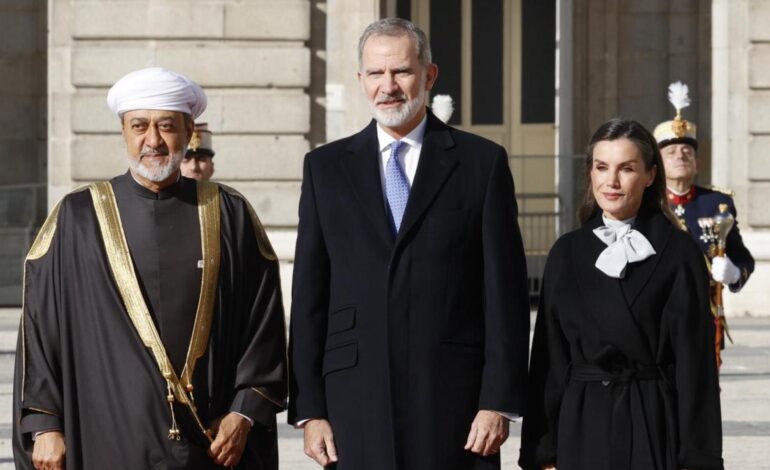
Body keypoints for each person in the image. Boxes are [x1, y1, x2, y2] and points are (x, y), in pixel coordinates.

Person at [12, 67, 287, 470]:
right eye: (139, 126)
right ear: (123, 130)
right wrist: (45, 425)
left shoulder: (228, 214)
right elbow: (40, 327)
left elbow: (262, 324)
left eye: (166, 126)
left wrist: (243, 414)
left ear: (189, 129)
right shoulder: (78, 217)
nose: (152, 140)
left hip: (209, 444)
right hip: (105, 434)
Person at [288, 17, 530, 470]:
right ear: (360, 80)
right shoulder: (324, 169)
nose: (389, 86)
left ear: (429, 75)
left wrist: (498, 400)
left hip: (455, 402)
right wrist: (310, 410)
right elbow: (309, 299)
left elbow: (506, 294)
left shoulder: (481, 164)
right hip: (354, 401)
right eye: (376, 74)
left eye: (401, 71)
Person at [519, 118, 723, 470]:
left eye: (626, 168)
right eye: (601, 167)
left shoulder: (678, 253)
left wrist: (699, 459)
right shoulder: (565, 253)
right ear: (590, 174)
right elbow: (548, 363)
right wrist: (543, 452)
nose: (611, 182)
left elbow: (696, 368)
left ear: (650, 175)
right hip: (581, 429)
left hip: (654, 426)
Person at [654, 81, 754, 365]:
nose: (680, 156)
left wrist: (734, 272)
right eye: (671, 153)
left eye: (687, 152)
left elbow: (743, 257)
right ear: (658, 165)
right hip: (659, 317)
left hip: (705, 318)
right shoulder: (650, 206)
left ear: (697, 163)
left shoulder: (717, 203)